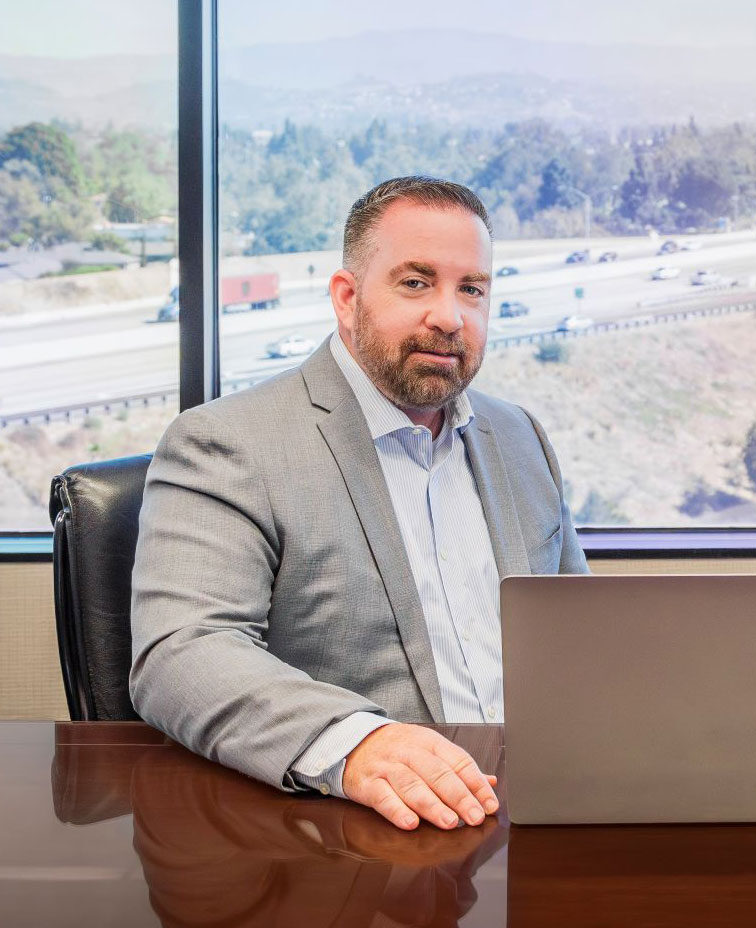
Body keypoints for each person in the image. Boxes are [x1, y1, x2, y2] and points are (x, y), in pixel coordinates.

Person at [130, 176, 588, 832]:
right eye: (415, 282)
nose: (449, 316)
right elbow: (182, 653)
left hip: (540, 810)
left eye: (472, 289)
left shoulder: (521, 437)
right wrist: (357, 743)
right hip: (356, 837)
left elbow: (580, 633)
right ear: (347, 299)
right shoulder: (227, 443)